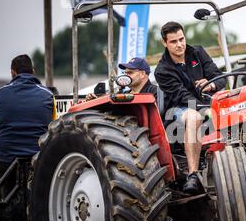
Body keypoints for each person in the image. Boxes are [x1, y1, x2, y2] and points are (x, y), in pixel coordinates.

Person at [154, 21, 226, 194]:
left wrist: (212, 85)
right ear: (165, 43)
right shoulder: (162, 70)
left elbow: (220, 78)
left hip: (206, 102)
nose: (179, 45)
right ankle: (192, 174)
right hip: (178, 110)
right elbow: (182, 97)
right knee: (195, 117)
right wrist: (207, 109)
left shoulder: (198, 52)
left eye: (181, 39)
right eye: (173, 42)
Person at [0, 54, 56, 197]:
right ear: (33, 71)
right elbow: (52, 126)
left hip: (6, 159)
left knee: (6, 200)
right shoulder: (48, 95)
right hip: (37, 160)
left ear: (12, 72)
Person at [86, 57, 158, 100]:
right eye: (125, 73)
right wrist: (96, 100)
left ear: (142, 74)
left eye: (130, 73)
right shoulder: (124, 94)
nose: (126, 76)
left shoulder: (156, 93)